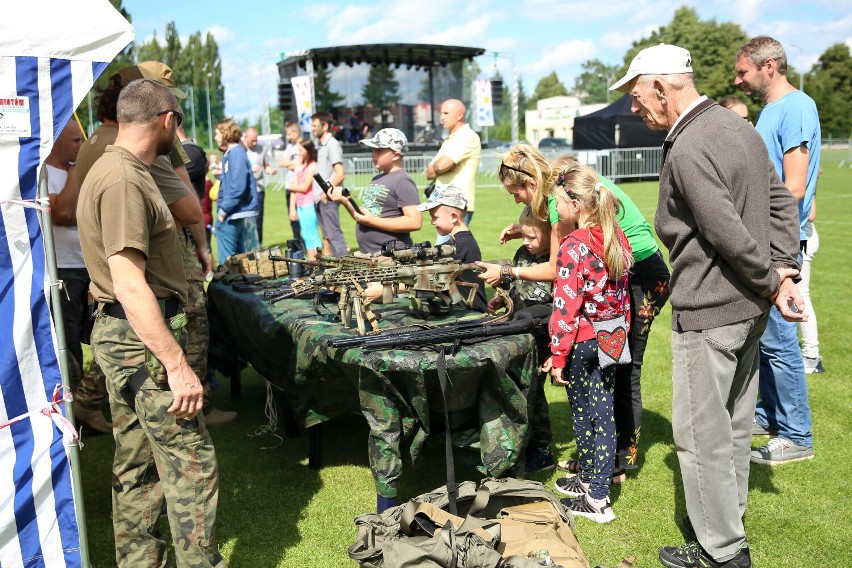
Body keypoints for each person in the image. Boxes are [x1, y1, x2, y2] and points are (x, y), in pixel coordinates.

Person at [610, 43, 802, 567]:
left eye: (635, 94)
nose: (633, 106)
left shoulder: (690, 144)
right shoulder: (738, 126)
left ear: (662, 85)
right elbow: (784, 200)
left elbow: (727, 232)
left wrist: (771, 278)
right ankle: (727, 531)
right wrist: (785, 271)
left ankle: (721, 553)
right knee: (735, 428)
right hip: (747, 311)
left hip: (714, 309)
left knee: (700, 437)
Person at [76, 78, 225, 568]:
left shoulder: (127, 170)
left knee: (137, 461)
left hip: (126, 338)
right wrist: (178, 365)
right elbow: (129, 283)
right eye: (177, 122)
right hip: (139, 339)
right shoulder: (122, 179)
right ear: (166, 120)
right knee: (192, 463)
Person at [478, 147, 672, 480]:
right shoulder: (561, 188)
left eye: (517, 192)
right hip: (622, 272)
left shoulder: (560, 197)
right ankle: (602, 458)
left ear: (532, 181)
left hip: (644, 275)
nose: (515, 200)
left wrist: (510, 272)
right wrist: (526, 231)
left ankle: (621, 460)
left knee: (624, 368)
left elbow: (557, 269)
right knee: (608, 369)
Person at [735, 35, 819, 464]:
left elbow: (796, 186)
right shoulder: (771, 110)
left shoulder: (796, 106)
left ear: (769, 66)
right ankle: (769, 416)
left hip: (778, 243)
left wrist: (773, 239)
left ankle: (797, 434)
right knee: (766, 338)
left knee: (781, 341)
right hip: (766, 240)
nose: (738, 80)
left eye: (743, 71)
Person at [541, 163, 633, 524]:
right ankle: (588, 479)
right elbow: (622, 296)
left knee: (590, 414)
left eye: (558, 202)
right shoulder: (617, 236)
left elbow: (565, 306)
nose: (556, 210)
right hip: (613, 335)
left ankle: (597, 498)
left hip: (584, 341)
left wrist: (558, 354)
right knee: (601, 409)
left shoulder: (574, 245)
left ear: (575, 204)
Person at [45, 120, 112, 433]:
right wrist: (74, 172)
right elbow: (63, 214)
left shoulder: (74, 172)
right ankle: (71, 412)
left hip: (88, 266)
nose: (79, 147)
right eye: (74, 141)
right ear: (56, 142)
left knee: (97, 334)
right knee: (68, 342)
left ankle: (88, 401)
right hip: (64, 269)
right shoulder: (46, 175)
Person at [487, 205, 556, 474]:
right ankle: (521, 442)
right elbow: (516, 287)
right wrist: (502, 298)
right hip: (520, 340)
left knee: (536, 397)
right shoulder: (523, 255)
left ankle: (542, 449)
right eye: (523, 236)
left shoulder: (555, 262)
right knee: (522, 393)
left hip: (545, 343)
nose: (525, 242)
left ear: (552, 234)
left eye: (531, 237)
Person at [330, 128, 421, 254]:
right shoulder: (377, 179)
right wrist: (345, 201)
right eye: (373, 149)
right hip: (370, 256)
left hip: (392, 257)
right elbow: (363, 217)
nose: (373, 154)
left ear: (396, 154)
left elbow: (415, 222)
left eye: (379, 150)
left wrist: (372, 221)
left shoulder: (402, 181)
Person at [416, 184, 487, 312]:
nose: (432, 222)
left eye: (435, 217)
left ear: (453, 217)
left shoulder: (459, 245)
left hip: (471, 314)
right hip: (462, 311)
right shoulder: (458, 242)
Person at [426, 99, 482, 226]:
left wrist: (441, 167)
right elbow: (429, 173)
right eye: (441, 113)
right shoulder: (450, 140)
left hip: (458, 205)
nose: (442, 117)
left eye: (446, 113)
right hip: (442, 202)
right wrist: (444, 166)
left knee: (450, 245)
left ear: (460, 115)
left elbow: (440, 166)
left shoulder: (468, 136)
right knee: (445, 246)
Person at [214, 117, 261, 262]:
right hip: (233, 213)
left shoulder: (236, 153)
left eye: (217, 133)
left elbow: (238, 187)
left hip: (232, 213)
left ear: (225, 133)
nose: (215, 137)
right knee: (239, 262)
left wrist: (222, 212)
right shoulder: (232, 153)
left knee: (226, 263)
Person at [311, 112, 348, 256]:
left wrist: (326, 193)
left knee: (334, 235)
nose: (312, 128)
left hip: (328, 198)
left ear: (325, 126)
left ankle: (345, 271)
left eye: (315, 125)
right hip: (320, 198)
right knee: (328, 235)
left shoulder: (332, 144)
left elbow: (340, 173)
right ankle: (335, 268)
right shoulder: (321, 144)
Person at [799, 196, 824, 373]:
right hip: (801, 236)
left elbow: (811, 213)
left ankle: (811, 356)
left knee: (802, 296)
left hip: (803, 238)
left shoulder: (803, 174)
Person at [287, 139, 322, 259]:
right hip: (300, 205)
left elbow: (305, 187)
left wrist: (292, 186)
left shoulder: (312, 166)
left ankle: (319, 260)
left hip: (309, 204)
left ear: (308, 150)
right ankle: (311, 260)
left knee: (313, 234)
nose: (299, 153)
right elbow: (294, 190)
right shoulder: (299, 166)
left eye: (301, 150)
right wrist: (292, 208)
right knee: (306, 235)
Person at [244, 127, 278, 243]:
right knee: (245, 218)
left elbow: (266, 165)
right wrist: (249, 169)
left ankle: (258, 244)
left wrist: (270, 170)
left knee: (258, 218)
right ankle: (247, 244)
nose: (254, 143)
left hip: (258, 189)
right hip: (244, 189)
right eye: (252, 140)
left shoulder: (261, 150)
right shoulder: (240, 150)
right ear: (245, 137)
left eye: (256, 140)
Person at [278, 121, 304, 242]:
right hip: (290, 186)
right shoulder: (289, 146)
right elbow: (281, 162)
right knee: (292, 216)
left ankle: (306, 242)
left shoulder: (303, 145)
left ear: (297, 132)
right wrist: (291, 164)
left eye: (289, 134)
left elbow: (302, 164)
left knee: (303, 216)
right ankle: (297, 241)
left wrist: (290, 163)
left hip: (301, 186)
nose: (288, 137)